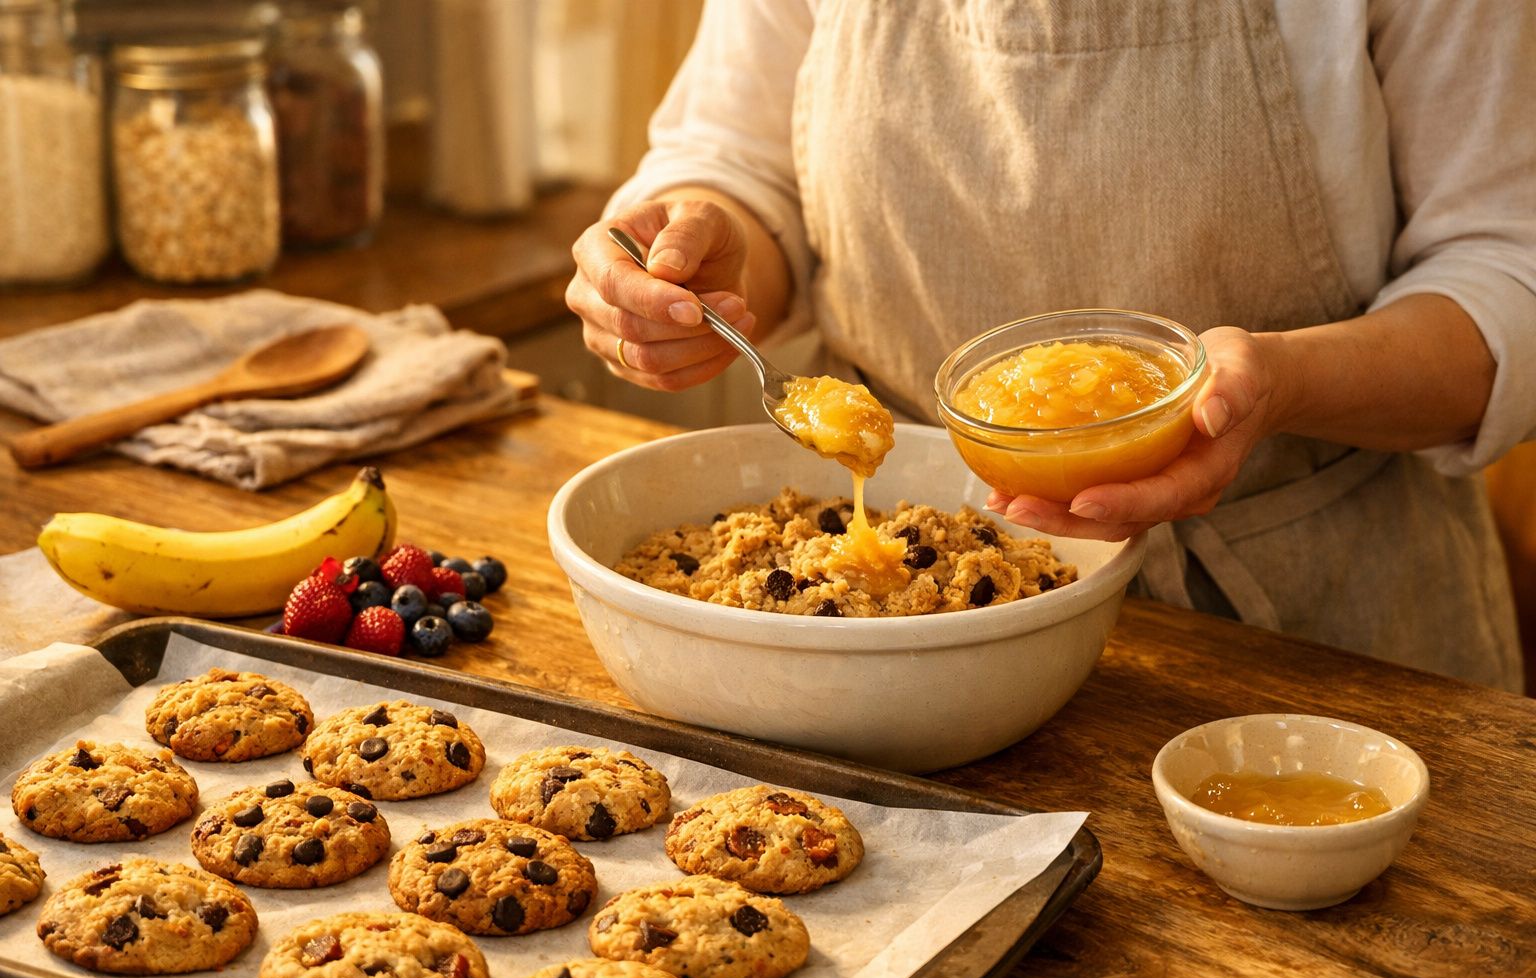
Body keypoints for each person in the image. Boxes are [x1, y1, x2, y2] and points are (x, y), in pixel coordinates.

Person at [564, 0, 1535, 692]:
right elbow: (741, 157)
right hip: (894, 632)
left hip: (1329, 640)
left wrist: (1281, 383)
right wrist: (702, 256)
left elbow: (1507, 269)